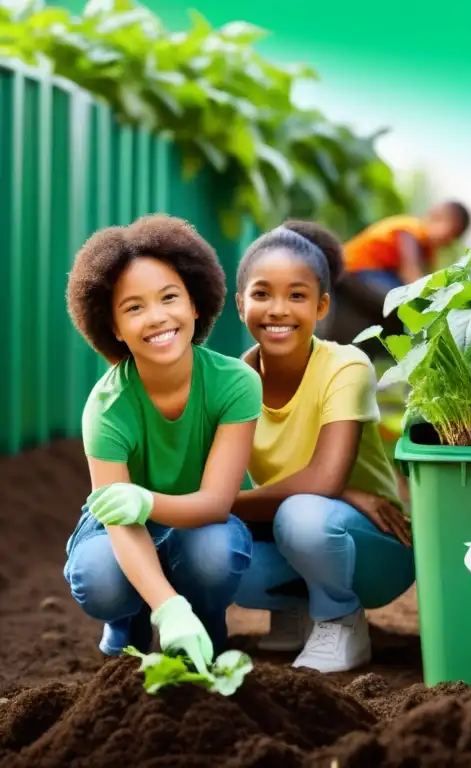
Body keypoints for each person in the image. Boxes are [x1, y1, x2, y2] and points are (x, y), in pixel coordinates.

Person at [63, 215, 263, 675]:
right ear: (112, 326)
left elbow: (216, 503)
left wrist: (146, 499)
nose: (156, 318)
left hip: (198, 522)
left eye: (169, 298)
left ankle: (207, 619)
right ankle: (127, 621)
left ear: (195, 304)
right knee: (99, 578)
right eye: (133, 308)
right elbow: (119, 524)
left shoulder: (236, 384)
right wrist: (166, 607)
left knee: (216, 555)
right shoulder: (107, 406)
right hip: (122, 529)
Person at [230, 220, 415, 674]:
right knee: (210, 546)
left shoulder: (346, 365)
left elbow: (323, 480)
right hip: (304, 524)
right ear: (240, 304)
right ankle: (293, 613)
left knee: (302, 515)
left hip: (371, 543)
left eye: (296, 295)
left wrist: (218, 504)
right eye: (262, 294)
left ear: (322, 305)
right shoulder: (234, 380)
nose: (278, 310)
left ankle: (339, 618)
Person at [343, 202, 471, 292]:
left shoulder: (428, 251)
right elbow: (410, 273)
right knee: (398, 296)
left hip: (380, 272)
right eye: (450, 230)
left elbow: (426, 278)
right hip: (356, 267)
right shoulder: (410, 229)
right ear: (436, 217)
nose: (448, 240)